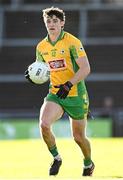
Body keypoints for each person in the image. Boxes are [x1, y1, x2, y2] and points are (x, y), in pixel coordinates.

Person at [25, 7, 95, 176]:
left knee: (78, 138)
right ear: (45, 23)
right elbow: (42, 70)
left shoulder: (72, 42)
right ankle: (56, 158)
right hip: (55, 93)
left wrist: (69, 84)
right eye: (48, 21)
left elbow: (86, 69)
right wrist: (33, 76)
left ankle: (88, 163)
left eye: (55, 21)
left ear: (62, 23)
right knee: (44, 124)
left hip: (75, 94)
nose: (51, 24)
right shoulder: (41, 47)